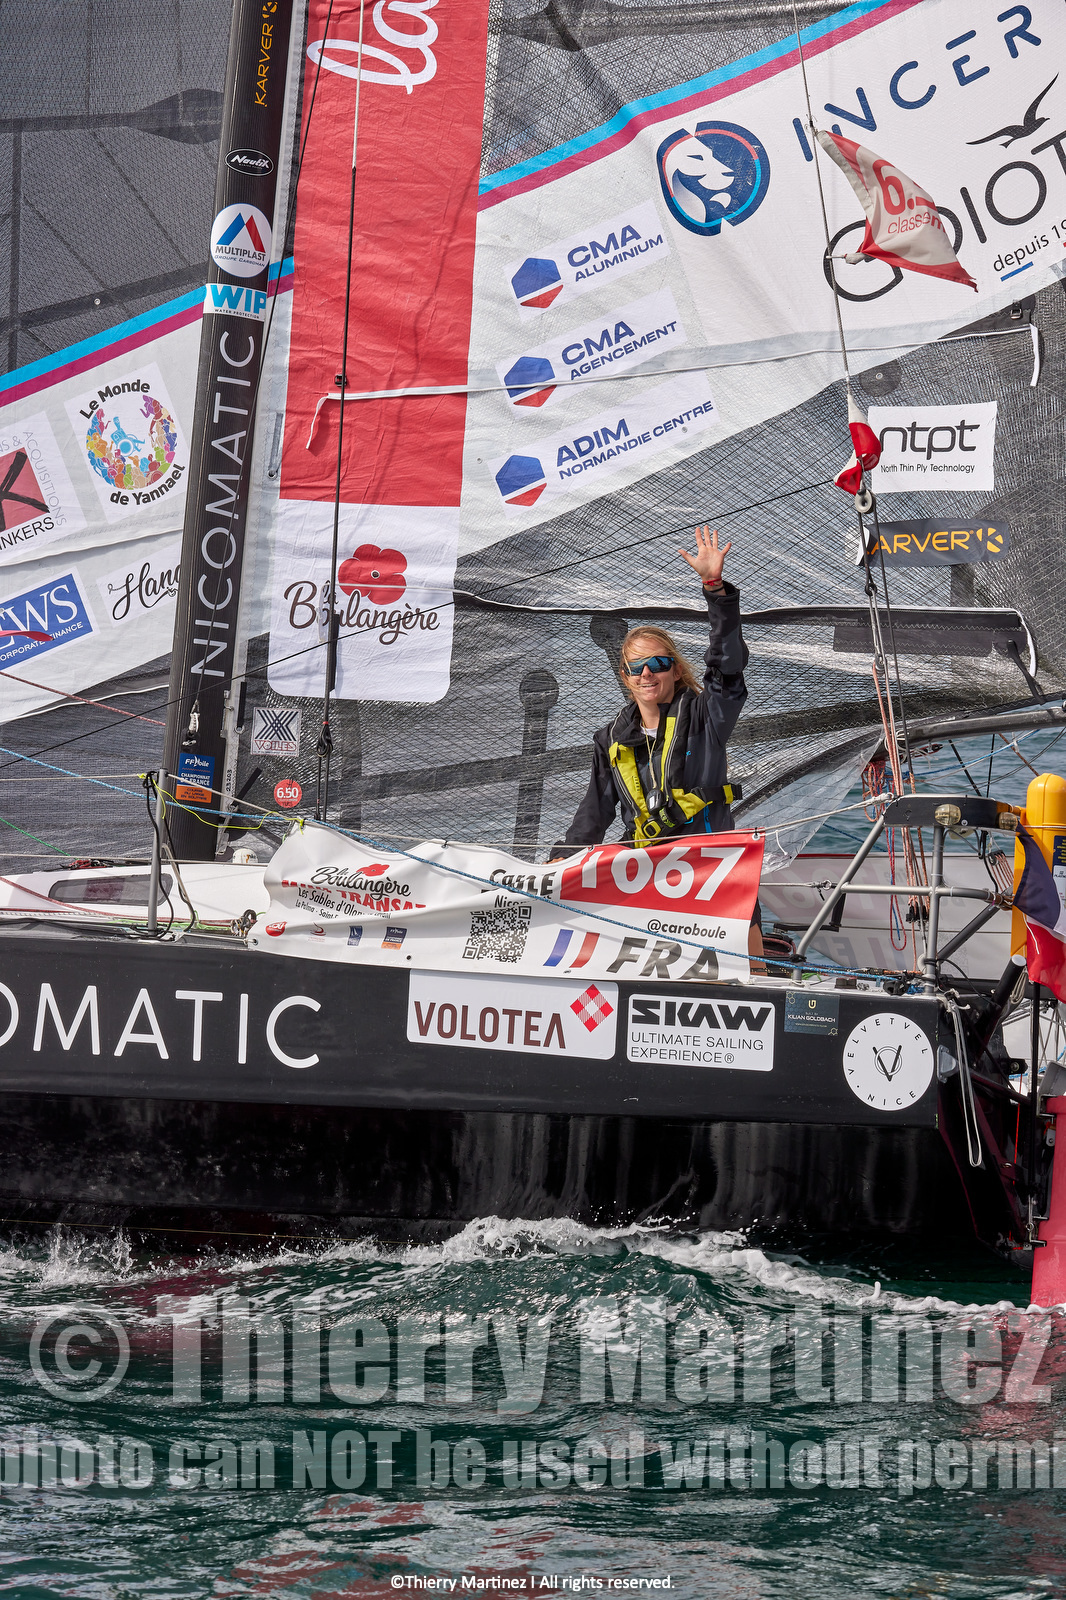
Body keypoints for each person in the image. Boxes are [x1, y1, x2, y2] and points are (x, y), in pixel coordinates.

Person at [549, 524, 763, 958]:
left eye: (658, 663)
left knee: (747, 962)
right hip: (643, 869)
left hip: (709, 866)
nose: (647, 673)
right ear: (626, 679)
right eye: (636, 667)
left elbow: (728, 666)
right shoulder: (609, 739)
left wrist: (715, 588)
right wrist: (557, 863)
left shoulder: (706, 715)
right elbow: (593, 814)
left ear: (676, 670)